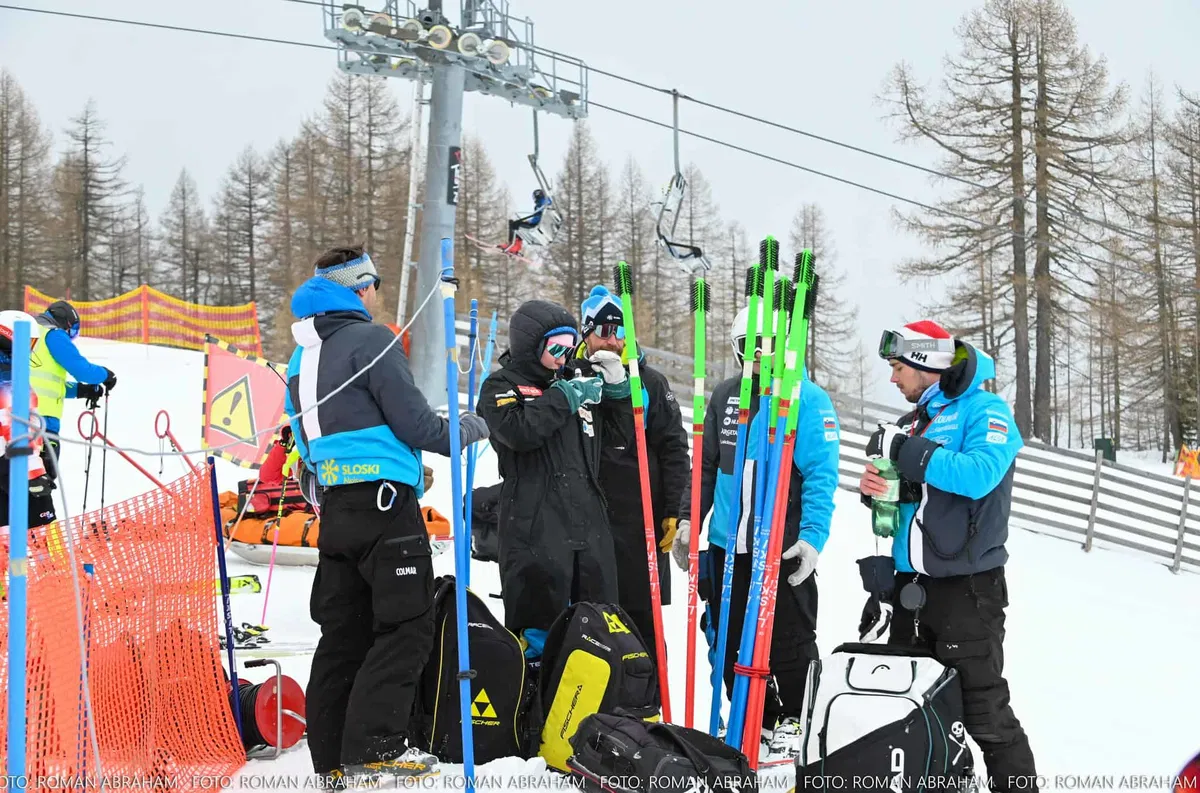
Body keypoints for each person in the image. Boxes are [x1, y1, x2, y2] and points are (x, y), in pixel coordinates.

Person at [283, 245, 489, 785]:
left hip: (338, 508)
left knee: (342, 635)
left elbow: (305, 439)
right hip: (385, 510)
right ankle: (375, 747)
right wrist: (472, 426)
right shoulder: (372, 341)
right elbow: (421, 427)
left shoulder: (302, 356)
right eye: (374, 284)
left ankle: (332, 759)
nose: (376, 295)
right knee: (406, 626)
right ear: (360, 287)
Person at [858, 320, 1037, 792]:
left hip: (967, 591)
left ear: (925, 364)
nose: (893, 378)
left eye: (898, 368)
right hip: (910, 591)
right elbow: (913, 499)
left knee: (984, 714)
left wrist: (909, 452)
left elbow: (979, 475)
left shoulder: (985, 410)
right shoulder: (913, 422)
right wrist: (877, 490)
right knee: (914, 711)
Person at [673, 305, 840, 756]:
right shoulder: (726, 396)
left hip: (780, 547)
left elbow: (821, 477)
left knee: (788, 640)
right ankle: (754, 719)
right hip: (728, 545)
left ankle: (797, 720)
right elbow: (705, 467)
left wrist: (811, 539)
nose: (759, 355)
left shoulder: (807, 399)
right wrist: (690, 520)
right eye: (749, 347)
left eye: (767, 345)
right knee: (727, 641)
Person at [477, 299, 617, 667]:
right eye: (555, 349)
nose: (563, 358)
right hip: (535, 528)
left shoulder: (573, 382)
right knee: (539, 632)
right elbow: (518, 432)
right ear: (530, 345)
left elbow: (617, 442)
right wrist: (563, 398)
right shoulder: (501, 386)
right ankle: (533, 694)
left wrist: (617, 392)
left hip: (586, 527)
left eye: (569, 349)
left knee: (595, 632)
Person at [575, 285, 689, 664]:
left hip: (639, 522)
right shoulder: (572, 376)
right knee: (590, 620)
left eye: (620, 332)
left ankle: (648, 691)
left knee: (640, 623)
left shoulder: (649, 382)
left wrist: (673, 510)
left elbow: (674, 448)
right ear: (586, 333)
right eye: (603, 331)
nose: (612, 341)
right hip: (585, 522)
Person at [30, 300, 116, 483]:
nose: (70, 336)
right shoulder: (54, 335)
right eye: (72, 331)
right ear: (65, 321)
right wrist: (105, 375)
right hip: (42, 422)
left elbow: (44, 384)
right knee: (41, 483)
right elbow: (82, 370)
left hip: (16, 419)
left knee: (15, 482)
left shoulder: (29, 334)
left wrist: (80, 390)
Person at [0, 310, 56, 531]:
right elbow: (13, 424)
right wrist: (34, 472)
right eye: (28, 342)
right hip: (13, 462)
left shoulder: (11, 372)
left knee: (6, 526)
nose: (30, 350)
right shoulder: (7, 378)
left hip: (9, 460)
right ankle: (48, 555)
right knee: (41, 524)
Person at [500, 189, 553, 256]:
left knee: (514, 224)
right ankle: (516, 246)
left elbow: (538, 216)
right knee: (518, 225)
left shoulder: (543, 202)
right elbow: (538, 216)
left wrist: (530, 221)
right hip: (537, 223)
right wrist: (529, 221)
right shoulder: (545, 202)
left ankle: (513, 245)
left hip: (536, 224)